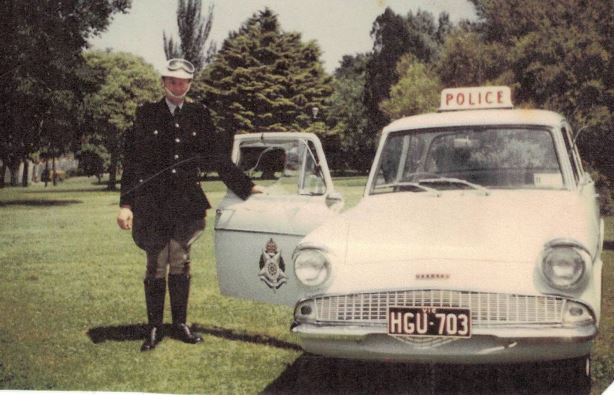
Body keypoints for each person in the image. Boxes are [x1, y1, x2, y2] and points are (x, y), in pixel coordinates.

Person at [116, 58, 261, 352]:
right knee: (156, 265)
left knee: (181, 262)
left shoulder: (199, 115)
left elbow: (218, 157)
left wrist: (246, 186)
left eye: (182, 81)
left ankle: (181, 324)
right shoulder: (146, 114)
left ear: (190, 84)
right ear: (163, 82)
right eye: (172, 80)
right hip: (152, 205)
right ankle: (155, 328)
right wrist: (126, 205)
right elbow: (132, 163)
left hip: (185, 204)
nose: (177, 85)